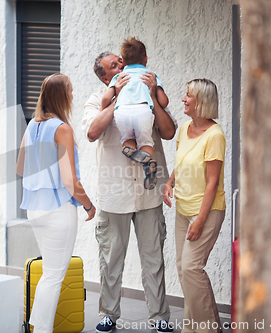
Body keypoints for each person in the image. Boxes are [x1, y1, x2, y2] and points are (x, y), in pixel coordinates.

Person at [82, 52, 177, 333]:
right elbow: (91, 132)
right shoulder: (96, 98)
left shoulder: (149, 91)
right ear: (104, 77)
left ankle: (159, 317)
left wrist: (149, 94)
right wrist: (117, 99)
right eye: (115, 66)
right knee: (111, 259)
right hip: (114, 194)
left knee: (153, 258)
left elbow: (169, 132)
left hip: (149, 193)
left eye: (122, 62)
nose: (122, 67)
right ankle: (109, 314)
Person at [17, 73, 96, 333]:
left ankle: (36, 327)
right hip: (57, 211)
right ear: (61, 95)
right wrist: (88, 205)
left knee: (50, 274)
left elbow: (20, 168)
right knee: (53, 275)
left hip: (34, 209)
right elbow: (70, 181)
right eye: (70, 90)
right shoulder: (62, 128)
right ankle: (42, 331)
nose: (73, 94)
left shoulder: (32, 126)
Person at [163, 79, 226, 333]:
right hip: (182, 209)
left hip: (207, 211)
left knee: (191, 267)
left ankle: (208, 329)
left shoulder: (215, 136)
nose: (183, 99)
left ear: (202, 101)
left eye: (188, 96)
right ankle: (193, 327)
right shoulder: (184, 129)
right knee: (183, 269)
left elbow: (212, 183)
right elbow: (182, 163)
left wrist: (200, 220)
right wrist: (169, 182)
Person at [101, 37, 170, 190]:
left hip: (122, 112)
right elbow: (164, 102)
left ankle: (130, 149)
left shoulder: (119, 77)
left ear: (123, 62)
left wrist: (105, 107)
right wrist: (155, 95)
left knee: (127, 138)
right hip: (143, 111)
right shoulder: (150, 75)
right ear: (145, 58)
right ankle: (148, 164)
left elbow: (106, 98)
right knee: (146, 142)